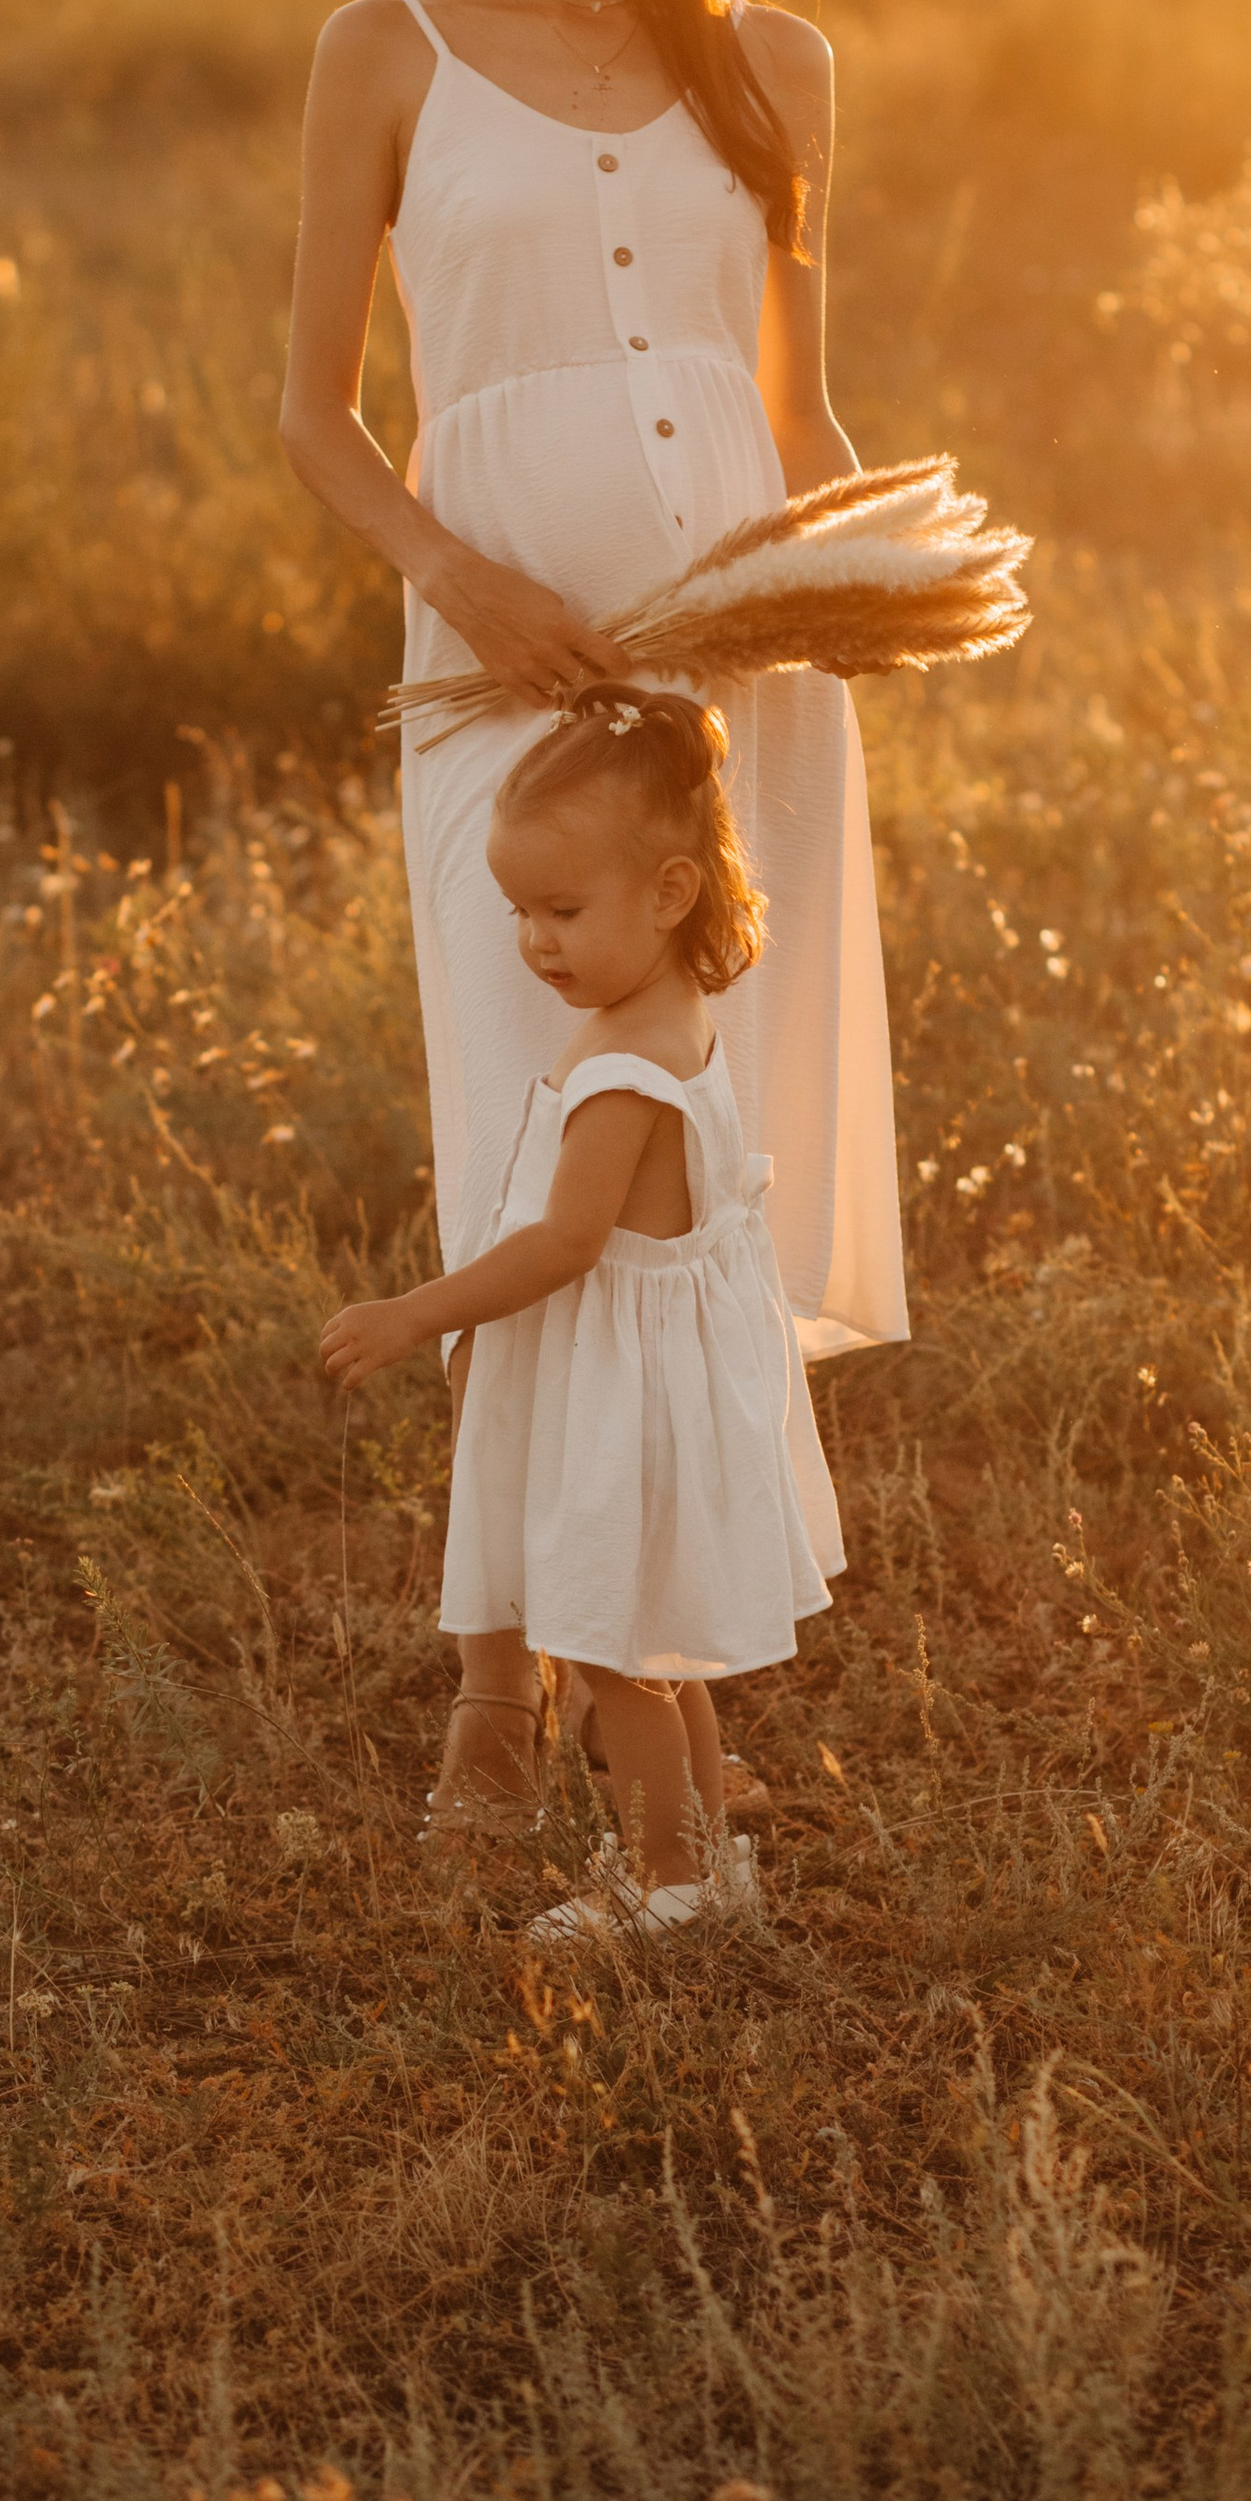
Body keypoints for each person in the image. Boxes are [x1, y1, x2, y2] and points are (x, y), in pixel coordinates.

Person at [281, 0, 906, 1841]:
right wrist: (467, 582)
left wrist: (877, 585)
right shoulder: (388, 48)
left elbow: (795, 405)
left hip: (736, 678)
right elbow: (311, 414)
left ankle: (644, 1655)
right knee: (514, 1165)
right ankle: (485, 1697)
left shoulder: (774, 65)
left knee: (673, 1202)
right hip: (497, 684)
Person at [320, 691, 834, 1937]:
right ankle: (703, 1869)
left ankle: (666, 1882)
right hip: (664, 1377)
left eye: (562, 911)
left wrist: (416, 1312)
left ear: (667, 893)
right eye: (518, 913)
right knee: (662, 1645)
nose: (535, 944)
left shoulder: (619, 1067)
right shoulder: (667, 1019)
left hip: (627, 1394)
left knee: (615, 1652)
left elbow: (563, 1242)